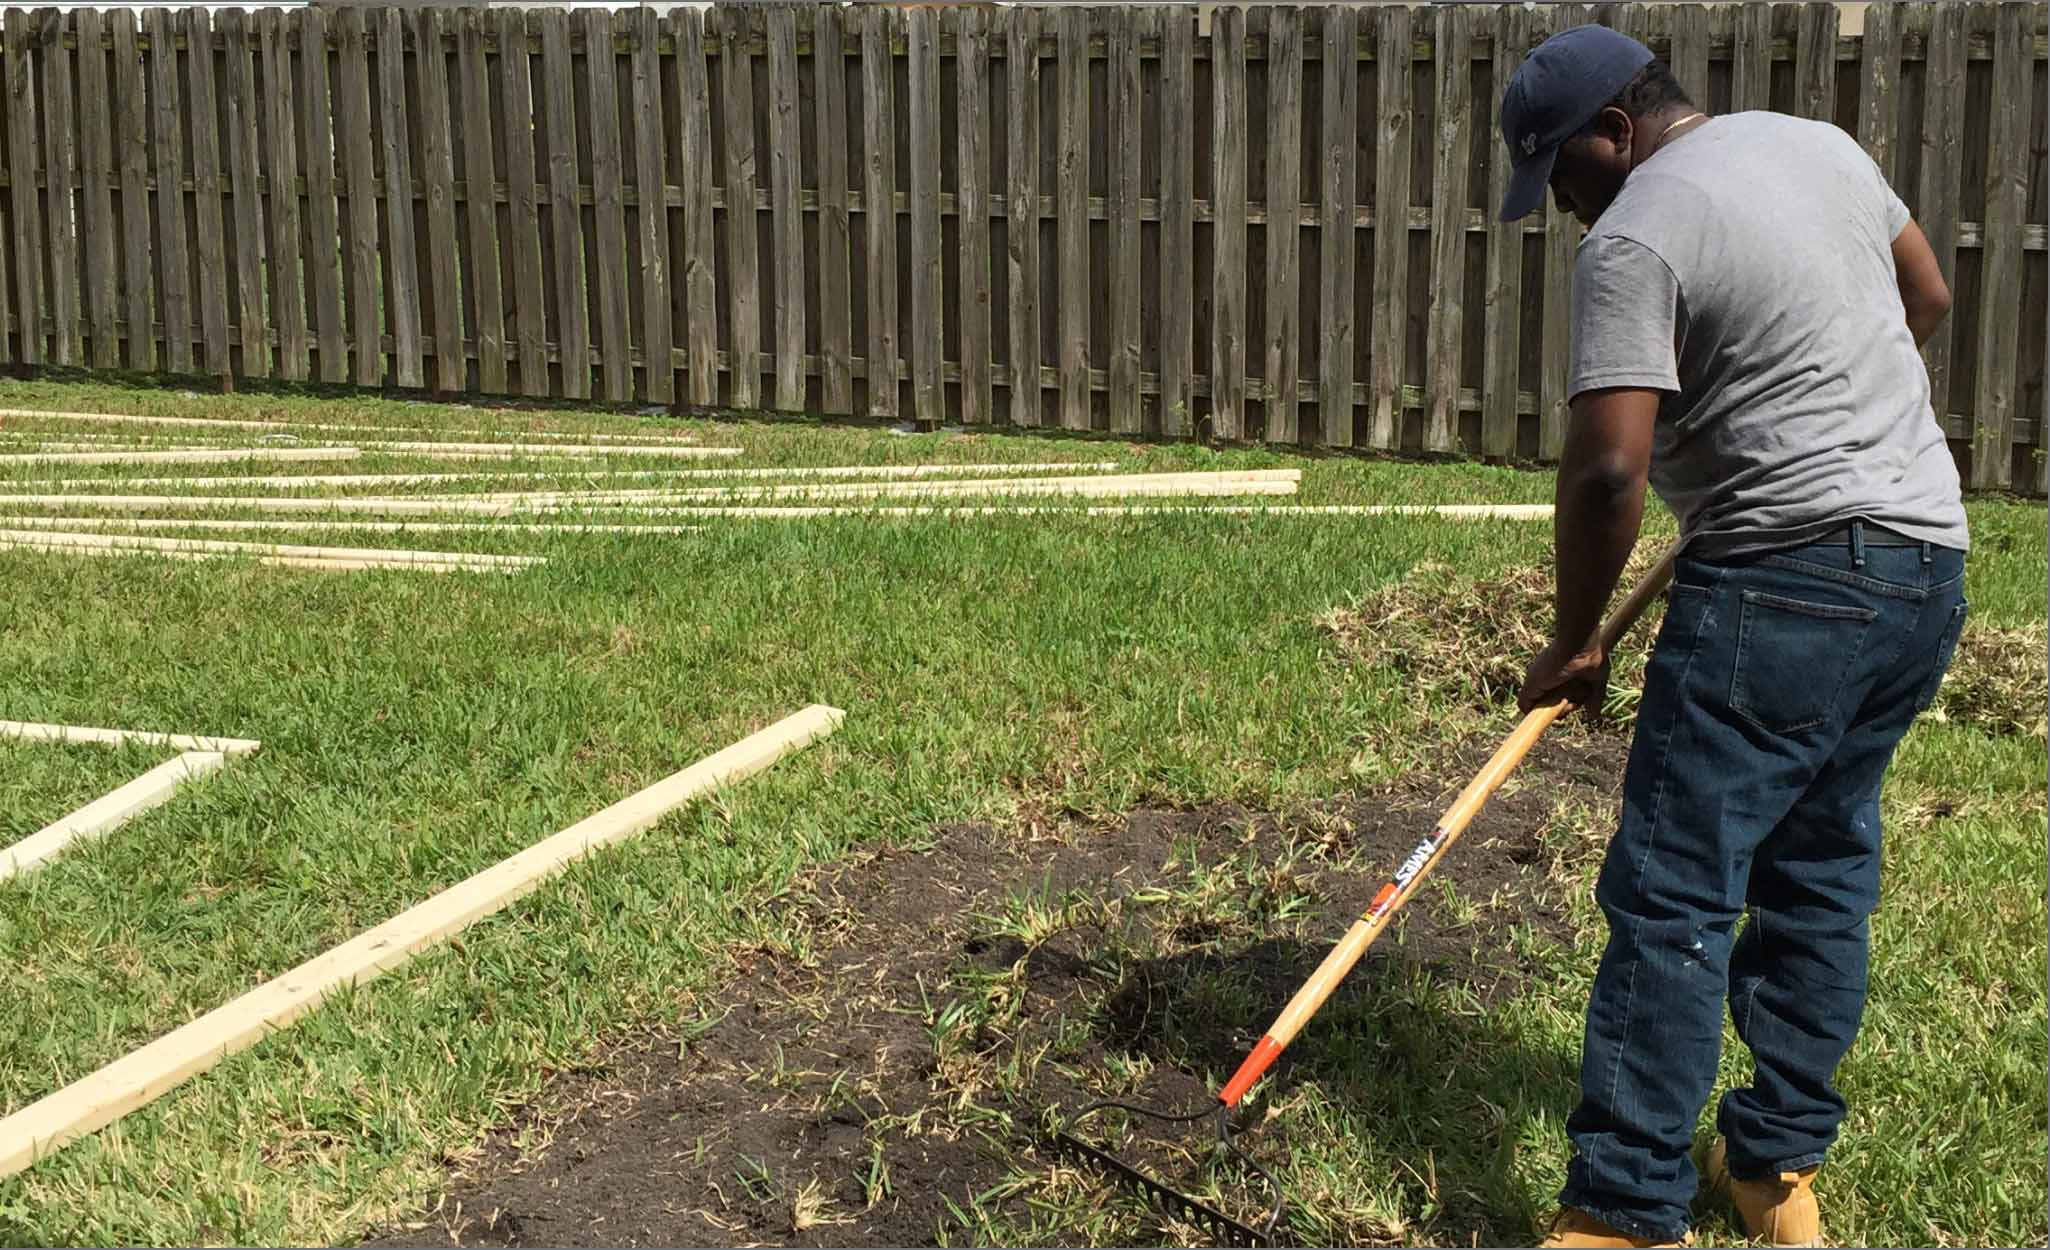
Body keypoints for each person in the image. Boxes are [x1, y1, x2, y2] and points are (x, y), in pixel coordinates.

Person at [1493, 24, 1970, 1250]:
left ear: (1613, 131)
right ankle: (1772, 1162)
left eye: (1563, 177)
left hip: (1779, 580)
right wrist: (1818, 409)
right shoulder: (1824, 150)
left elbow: (1607, 470)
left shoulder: (1640, 228)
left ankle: (1622, 1206)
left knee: (1672, 887)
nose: (1567, 210)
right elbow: (1929, 294)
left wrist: (1574, 638)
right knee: (1820, 865)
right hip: (1923, 565)